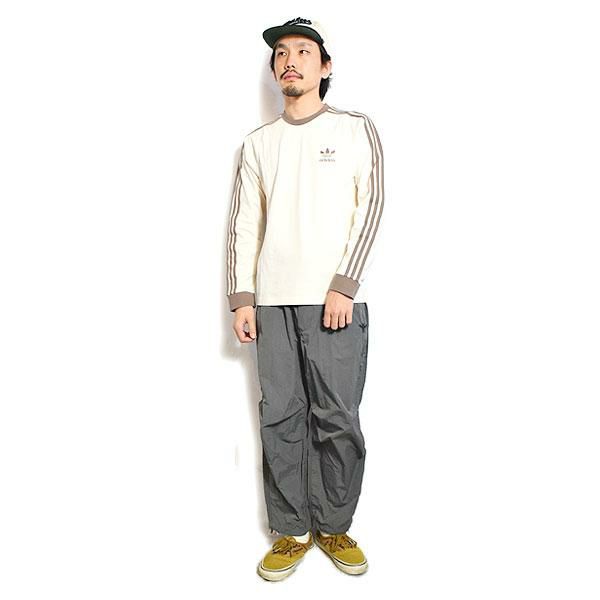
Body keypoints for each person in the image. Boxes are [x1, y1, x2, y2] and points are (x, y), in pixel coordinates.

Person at [226, 17, 384, 581]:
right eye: (281, 54)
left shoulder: (354, 128)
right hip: (272, 305)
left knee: (337, 418)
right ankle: (292, 530)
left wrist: (344, 284)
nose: (289, 60)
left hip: (334, 303)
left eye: (303, 51)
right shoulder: (257, 143)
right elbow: (245, 223)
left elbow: (371, 205)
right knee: (280, 419)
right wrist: (242, 298)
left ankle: (334, 525)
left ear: (325, 65)